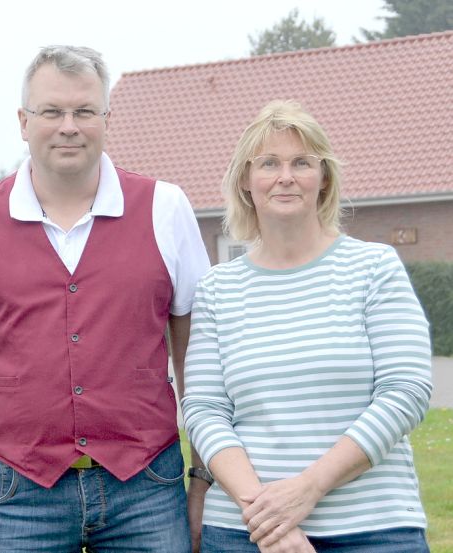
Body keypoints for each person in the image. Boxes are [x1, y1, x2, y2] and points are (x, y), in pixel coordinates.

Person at [0, 45, 211, 552]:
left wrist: (205, 479)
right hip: (17, 492)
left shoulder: (167, 208)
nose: (68, 126)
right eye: (52, 111)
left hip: (147, 486)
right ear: (23, 121)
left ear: (106, 119)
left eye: (84, 111)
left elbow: (198, 357)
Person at [181, 100, 432, 553]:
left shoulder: (373, 267)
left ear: (324, 178)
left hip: (373, 528)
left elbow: (406, 390)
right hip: (246, 531)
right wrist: (267, 516)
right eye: (269, 163)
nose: (285, 176)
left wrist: (308, 489)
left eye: (302, 162)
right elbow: (203, 410)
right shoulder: (218, 288)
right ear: (245, 180)